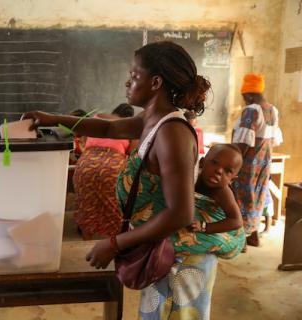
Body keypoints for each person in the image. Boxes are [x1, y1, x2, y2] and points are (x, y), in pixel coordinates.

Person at [23, 41, 238, 319]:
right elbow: (108, 126)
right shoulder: (153, 119)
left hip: (179, 261)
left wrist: (114, 243)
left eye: (134, 75)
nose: (127, 81)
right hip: (161, 250)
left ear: (155, 82)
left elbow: (181, 213)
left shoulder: (172, 133)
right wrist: (53, 118)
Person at [72, 103, 138, 240]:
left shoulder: (98, 119)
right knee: (114, 208)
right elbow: (133, 153)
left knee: (87, 205)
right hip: (112, 168)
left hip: (86, 165)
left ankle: (86, 242)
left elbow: (82, 138)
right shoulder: (131, 127)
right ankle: (115, 244)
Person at [232, 73, 279, 247]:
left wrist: (233, 161)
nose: (244, 100)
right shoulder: (272, 110)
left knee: (241, 196)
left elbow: (244, 141)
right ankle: (254, 235)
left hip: (249, 161)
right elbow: (272, 139)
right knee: (257, 196)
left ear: (250, 95)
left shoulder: (252, 109)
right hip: (264, 161)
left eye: (244, 96)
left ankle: (241, 240)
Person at [180, 143, 245, 258]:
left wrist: (204, 227)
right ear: (201, 163)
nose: (219, 171)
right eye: (214, 163)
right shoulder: (192, 178)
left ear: (232, 180)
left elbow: (236, 221)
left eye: (228, 170)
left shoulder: (223, 192)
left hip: (228, 232)